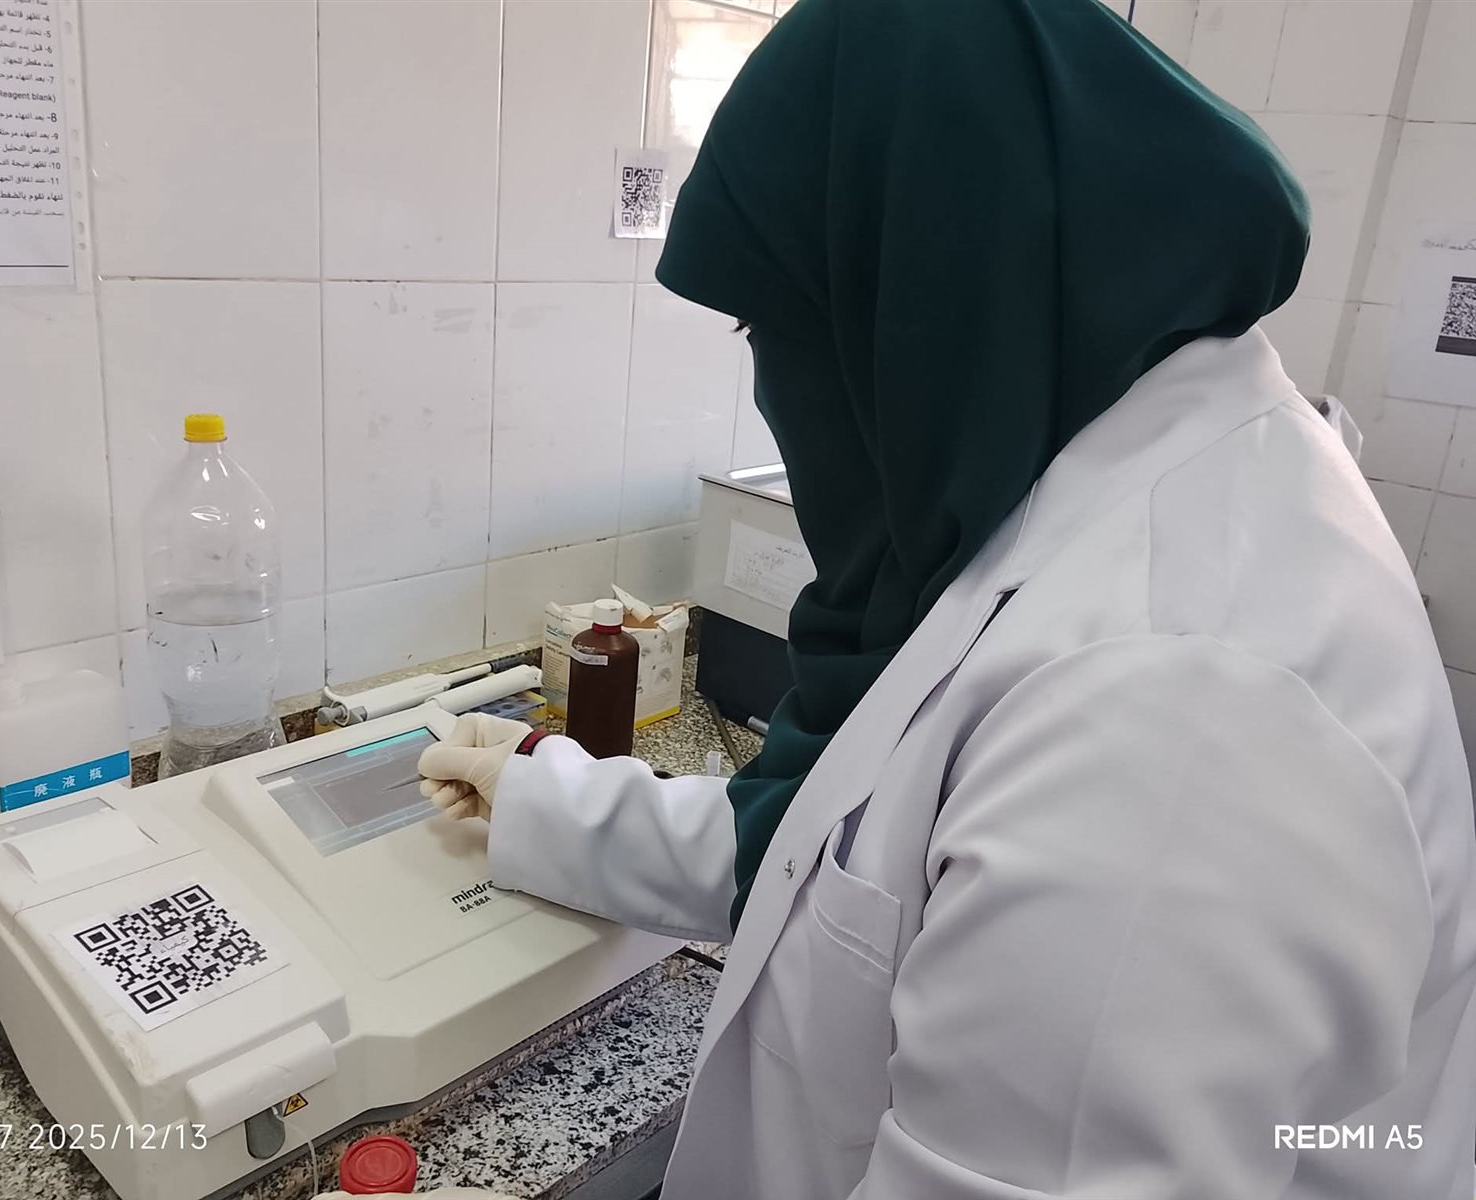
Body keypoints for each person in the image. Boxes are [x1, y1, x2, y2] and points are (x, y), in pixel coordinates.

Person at [418, 1, 1476, 1197]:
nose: (772, 382)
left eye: (774, 324)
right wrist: (548, 800)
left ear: (918, 294)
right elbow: (837, 870)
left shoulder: (1175, 710)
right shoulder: (1079, 496)